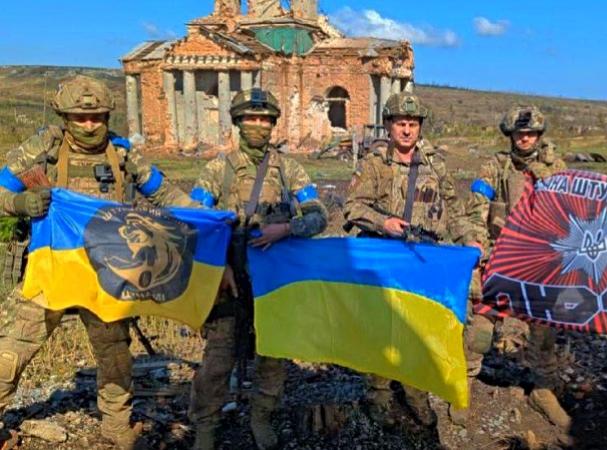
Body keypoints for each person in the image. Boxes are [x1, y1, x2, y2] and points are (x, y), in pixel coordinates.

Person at [0, 75, 192, 449]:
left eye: (98, 118)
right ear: (65, 117)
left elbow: (167, 194)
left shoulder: (122, 154)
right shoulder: (44, 147)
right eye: (80, 118)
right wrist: (19, 204)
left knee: (116, 359)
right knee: (11, 351)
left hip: (106, 273)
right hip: (51, 270)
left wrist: (208, 220)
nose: (90, 125)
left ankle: (116, 428)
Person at [188, 87, 328, 450]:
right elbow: (195, 223)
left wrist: (287, 228)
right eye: (251, 118)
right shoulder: (217, 170)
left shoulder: (288, 169)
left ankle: (261, 416)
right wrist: (217, 268)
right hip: (229, 279)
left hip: (274, 282)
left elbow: (318, 215)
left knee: (273, 355)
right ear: (237, 122)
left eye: (265, 119)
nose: (259, 125)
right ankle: (205, 427)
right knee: (217, 360)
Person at [344, 92, 478, 428]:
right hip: (385, 259)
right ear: (389, 125)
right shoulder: (375, 163)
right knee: (383, 329)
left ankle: (415, 392)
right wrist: (382, 223)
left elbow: (454, 209)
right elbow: (353, 208)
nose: (407, 130)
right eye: (401, 123)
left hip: (422, 260)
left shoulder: (435, 164)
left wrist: (468, 241)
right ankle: (379, 394)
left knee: (418, 328)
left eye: (413, 124)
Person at [462, 106, 570, 429]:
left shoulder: (555, 168)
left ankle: (543, 389)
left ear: (539, 135)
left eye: (531, 133)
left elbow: (569, 215)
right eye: (519, 133)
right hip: (499, 257)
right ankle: (464, 382)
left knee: (545, 330)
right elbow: (476, 211)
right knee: (480, 326)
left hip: (539, 260)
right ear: (510, 135)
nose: (525, 138)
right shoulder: (494, 167)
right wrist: (476, 242)